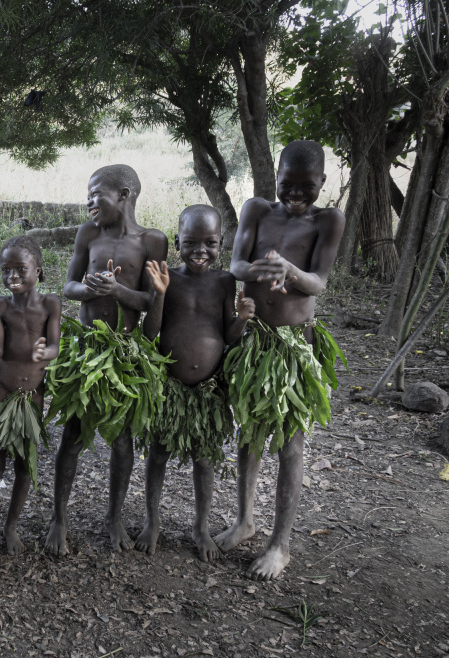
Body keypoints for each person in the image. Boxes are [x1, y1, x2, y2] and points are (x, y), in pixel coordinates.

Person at [216, 140, 346, 581]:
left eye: (306, 187)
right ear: (276, 178)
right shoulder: (256, 209)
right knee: (248, 433)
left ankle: (281, 545)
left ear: (322, 183)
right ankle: (245, 520)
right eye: (287, 184)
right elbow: (235, 264)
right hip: (253, 343)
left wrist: (288, 270)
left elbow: (318, 282)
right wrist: (259, 270)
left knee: (290, 445)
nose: (295, 194)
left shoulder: (329, 219)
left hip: (294, 346)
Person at [45, 164, 168, 557]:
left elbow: (151, 301)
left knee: (122, 440)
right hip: (85, 351)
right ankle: (59, 518)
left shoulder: (152, 241)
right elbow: (68, 286)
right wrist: (89, 289)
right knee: (73, 436)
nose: (88, 202)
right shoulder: (88, 234)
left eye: (95, 192)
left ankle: (113, 516)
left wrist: (118, 292)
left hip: (126, 353)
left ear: (124, 195)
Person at [137, 205, 255, 561]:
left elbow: (230, 337)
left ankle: (200, 527)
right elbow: (150, 333)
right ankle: (152, 521)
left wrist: (243, 320)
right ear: (177, 242)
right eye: (190, 242)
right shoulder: (166, 278)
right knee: (157, 454)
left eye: (210, 243)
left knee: (205, 461)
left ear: (221, 243)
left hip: (208, 391)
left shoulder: (223, 282)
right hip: (169, 389)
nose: (200, 250)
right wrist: (158, 294)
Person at [0, 236, 61, 555]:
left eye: (21, 268)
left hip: (33, 394)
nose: (13, 276)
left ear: (39, 269)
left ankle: (11, 527)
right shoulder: (0, 306)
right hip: (4, 391)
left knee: (24, 462)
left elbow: (56, 347)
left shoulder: (51, 304)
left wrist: (42, 353)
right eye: (6, 270)